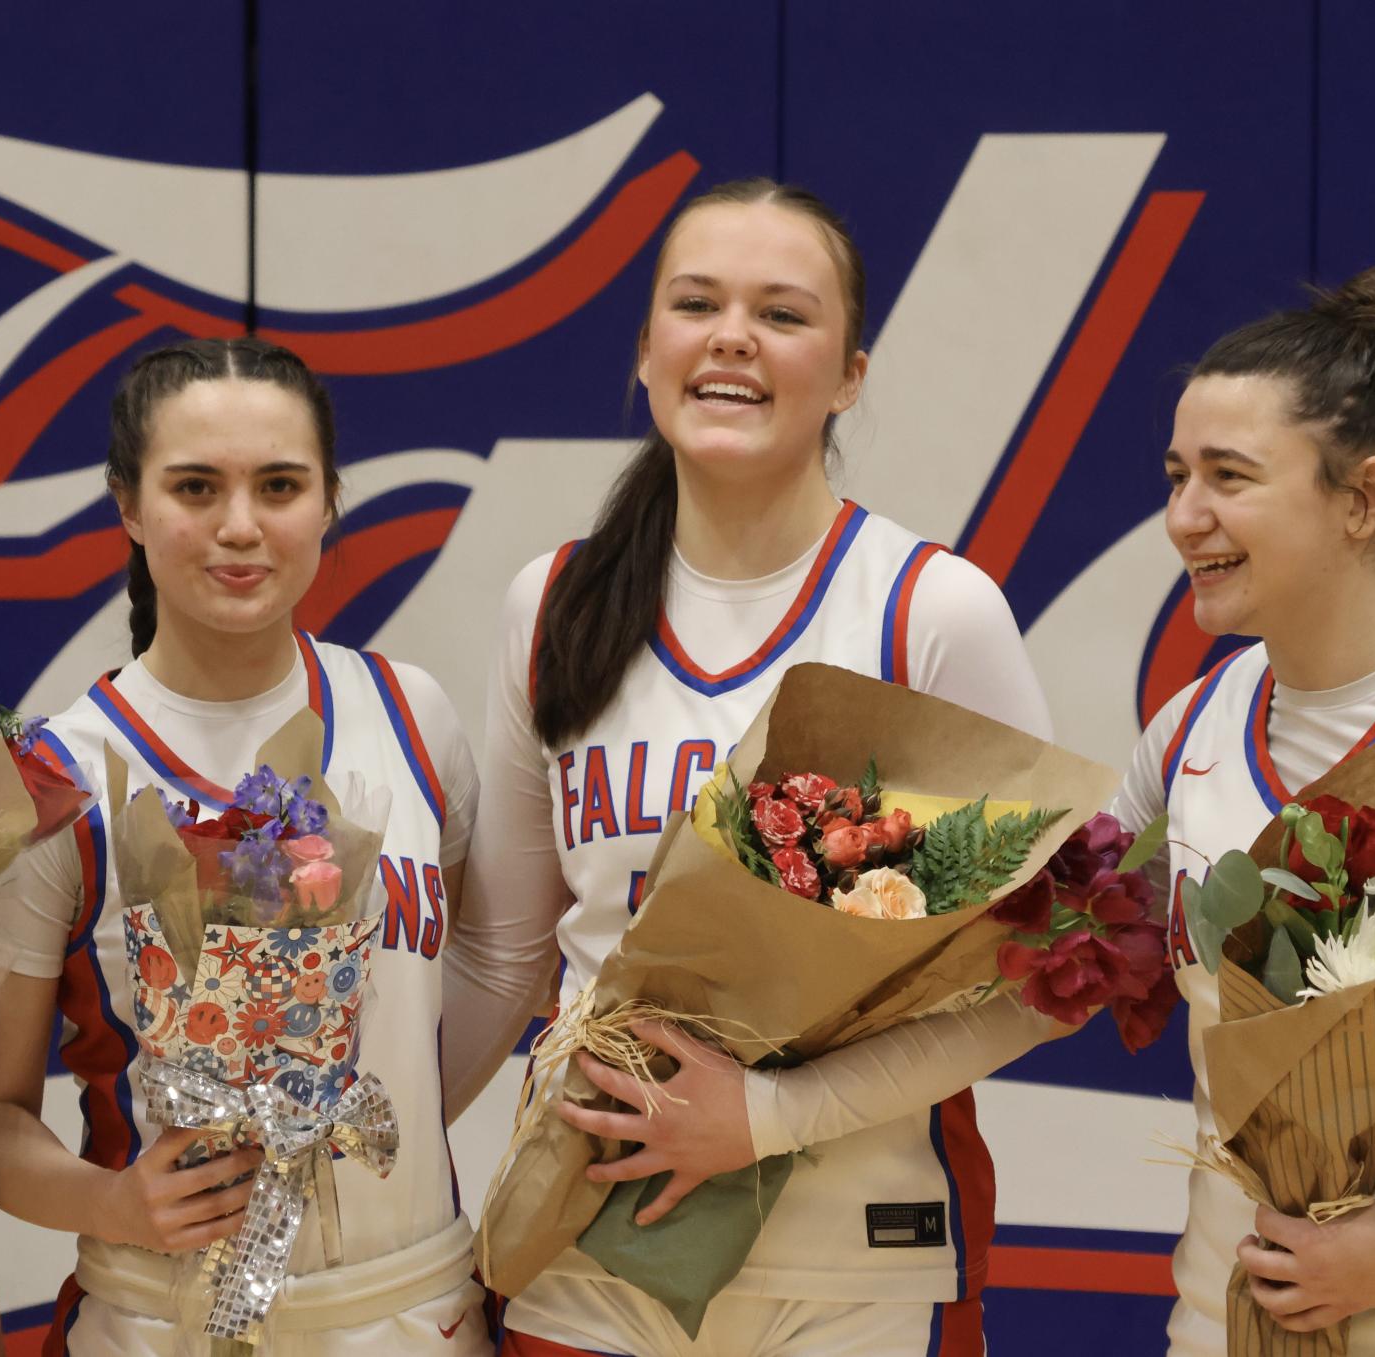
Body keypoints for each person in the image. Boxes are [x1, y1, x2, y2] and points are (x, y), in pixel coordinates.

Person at [441, 178, 1061, 1357]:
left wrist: (767, 1114)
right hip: (586, 1243)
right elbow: (507, 953)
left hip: (853, 1262)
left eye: (782, 313)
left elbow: (1042, 977)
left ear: (850, 376)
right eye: (697, 303)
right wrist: (379, 1171)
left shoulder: (932, 612)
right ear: (647, 349)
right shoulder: (554, 605)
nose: (732, 336)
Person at [0, 337, 491, 1355]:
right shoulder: (55, 773)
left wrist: (366, 1130)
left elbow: (432, 1012)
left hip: (416, 1314)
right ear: (127, 505)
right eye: (195, 487)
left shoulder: (413, 716)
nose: (240, 527)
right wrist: (113, 1203)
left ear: (330, 501)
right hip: (162, 1322)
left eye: (280, 485)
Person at [1111, 267, 1375, 1352]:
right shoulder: (1187, 730)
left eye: (1228, 476)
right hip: (1213, 1322)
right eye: (1175, 475)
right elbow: (1048, 970)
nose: (1181, 517)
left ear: (1364, 498)